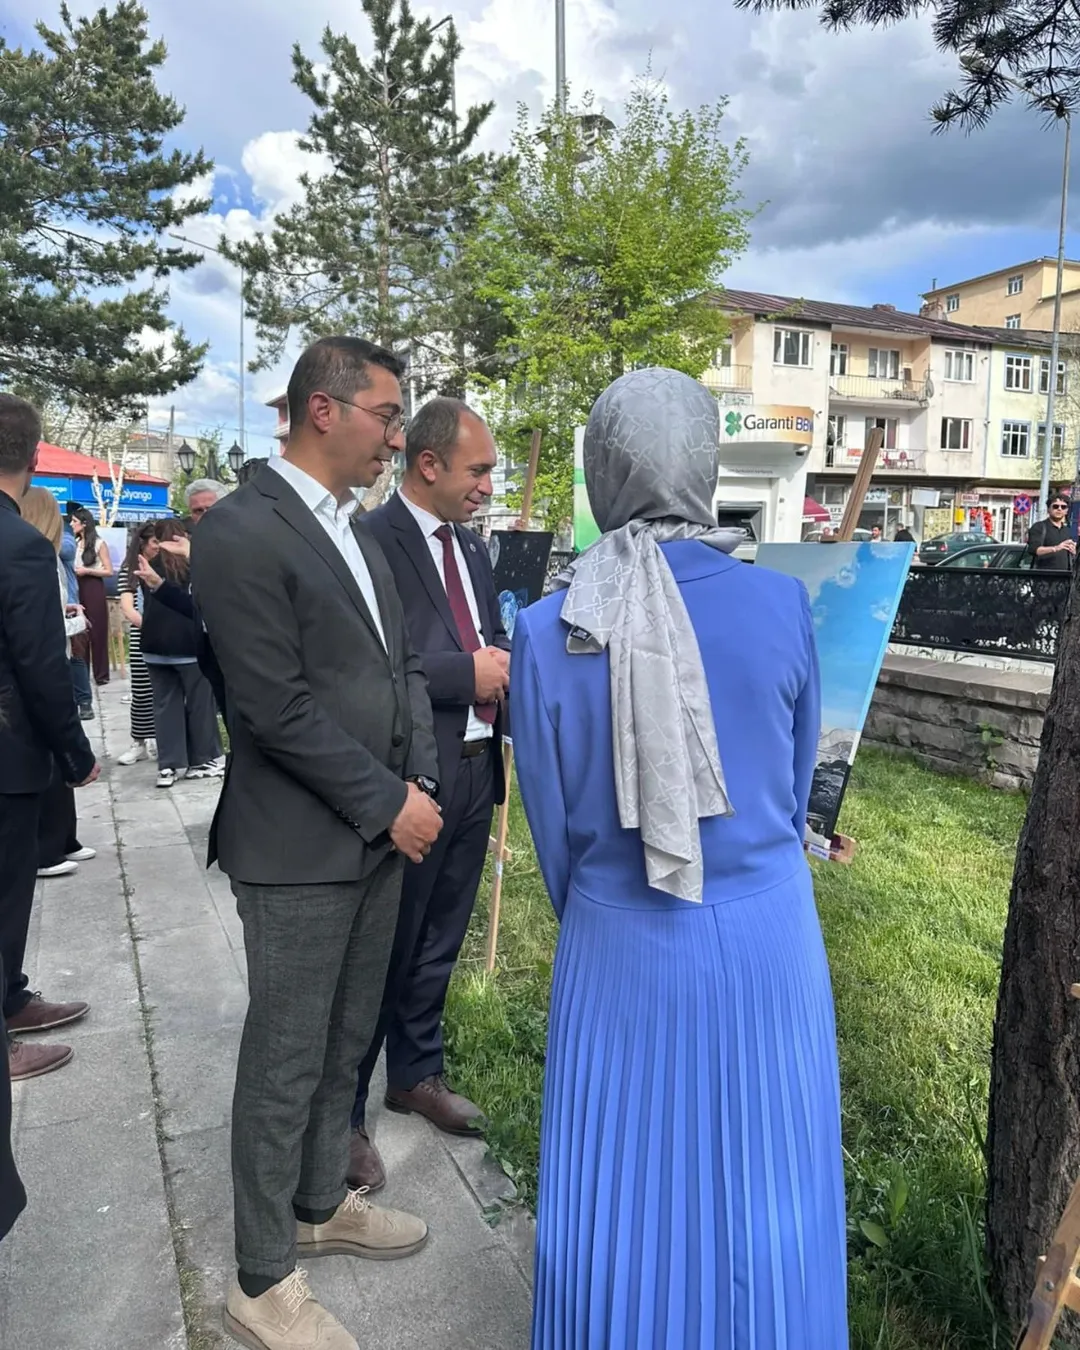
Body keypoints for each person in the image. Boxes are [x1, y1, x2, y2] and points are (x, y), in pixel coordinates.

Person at [510, 368, 848, 1350]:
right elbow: (792, 788)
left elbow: (552, 826)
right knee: (767, 1179)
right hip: (767, 941)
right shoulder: (782, 603)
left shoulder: (550, 629)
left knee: (621, 1184)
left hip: (618, 946)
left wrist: (604, 905)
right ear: (704, 463)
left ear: (602, 469)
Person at [191, 336, 444, 1350]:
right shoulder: (241, 529)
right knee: (285, 1059)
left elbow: (403, 670)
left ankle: (317, 1204)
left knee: (346, 1041)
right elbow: (272, 707)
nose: (397, 436)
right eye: (387, 415)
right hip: (298, 850)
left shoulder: (356, 530)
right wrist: (388, 801)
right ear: (323, 409)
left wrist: (420, 784)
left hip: (377, 837)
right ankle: (260, 1279)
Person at [348, 398, 510, 1191]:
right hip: (413, 778)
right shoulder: (369, 541)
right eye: (477, 470)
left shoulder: (471, 548)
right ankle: (345, 1115)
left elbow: (485, 638)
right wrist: (463, 675)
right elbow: (366, 664)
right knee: (384, 947)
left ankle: (415, 1073)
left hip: (478, 769)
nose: (488, 485)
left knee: (441, 935)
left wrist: (501, 664)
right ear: (428, 463)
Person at [0, 395, 99, 1086]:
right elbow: (41, 665)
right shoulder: (20, 546)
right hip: (9, 749)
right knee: (6, 890)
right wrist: (75, 752)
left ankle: (12, 996)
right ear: (34, 459)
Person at [19, 489, 98, 880]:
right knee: (50, 755)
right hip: (44, 665)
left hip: (58, 657)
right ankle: (46, 848)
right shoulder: (33, 557)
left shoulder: (47, 556)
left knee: (59, 757)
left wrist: (65, 610)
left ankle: (65, 838)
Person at [140, 519, 223, 789]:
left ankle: (168, 766)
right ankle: (204, 759)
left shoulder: (148, 566)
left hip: (154, 646)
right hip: (188, 646)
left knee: (165, 706)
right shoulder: (192, 566)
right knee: (200, 704)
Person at [116, 524, 159, 765]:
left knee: (166, 692)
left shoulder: (166, 566)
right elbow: (127, 607)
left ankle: (165, 740)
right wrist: (150, 627)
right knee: (142, 690)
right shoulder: (129, 570)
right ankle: (140, 742)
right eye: (154, 542)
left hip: (170, 637)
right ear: (142, 543)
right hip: (143, 634)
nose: (158, 547)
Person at [71, 507, 114, 685]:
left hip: (93, 586)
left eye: (74, 521)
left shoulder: (99, 543)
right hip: (77, 586)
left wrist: (88, 571)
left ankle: (101, 674)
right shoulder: (74, 542)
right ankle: (83, 673)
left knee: (97, 630)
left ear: (84, 523)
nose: (71, 524)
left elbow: (109, 571)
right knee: (81, 631)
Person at [60, 515, 94, 719]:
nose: (73, 525)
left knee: (75, 655)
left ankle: (85, 702)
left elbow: (67, 550)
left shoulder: (64, 535)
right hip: (53, 603)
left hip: (70, 603)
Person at [1026, 493, 1075, 571]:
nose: (1059, 509)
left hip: (1065, 575)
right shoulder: (1039, 527)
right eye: (1055, 506)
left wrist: (1074, 552)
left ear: (1066, 511)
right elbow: (1033, 550)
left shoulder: (1067, 530)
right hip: (1043, 575)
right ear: (1048, 509)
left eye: (1063, 507)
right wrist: (1056, 548)